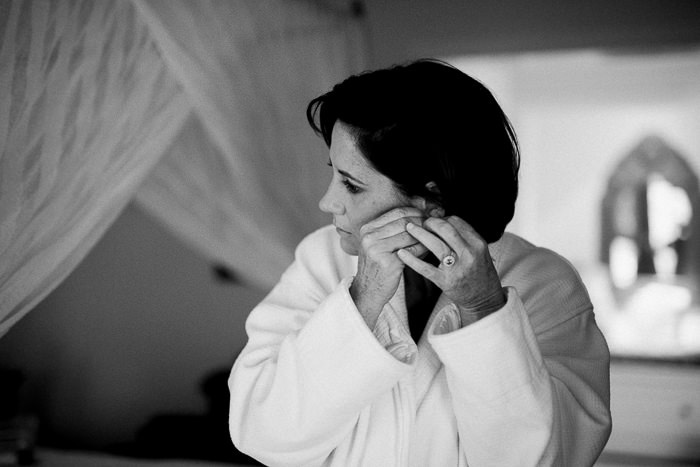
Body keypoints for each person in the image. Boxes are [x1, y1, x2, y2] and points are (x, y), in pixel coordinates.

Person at [228, 59, 612, 466]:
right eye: (334, 174)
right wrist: (364, 299)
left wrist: (484, 311)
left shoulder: (545, 284)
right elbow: (261, 432)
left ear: (431, 199)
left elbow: (543, 461)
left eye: (352, 185)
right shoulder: (321, 259)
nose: (327, 202)